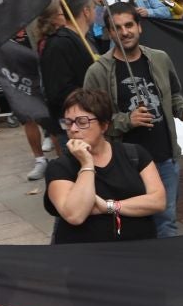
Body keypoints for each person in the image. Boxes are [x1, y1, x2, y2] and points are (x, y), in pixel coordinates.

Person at [81, 3, 183, 237]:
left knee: (166, 222)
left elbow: (174, 95)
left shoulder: (159, 58)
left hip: (164, 159)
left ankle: (165, 271)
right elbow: (89, 122)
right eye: (117, 28)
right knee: (131, 225)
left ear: (139, 27)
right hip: (124, 165)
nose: (124, 32)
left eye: (129, 25)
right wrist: (127, 120)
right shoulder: (98, 72)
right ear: (109, 32)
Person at [41, 88, 165, 244]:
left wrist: (108, 206)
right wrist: (86, 164)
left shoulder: (134, 154)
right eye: (68, 122)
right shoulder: (59, 167)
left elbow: (158, 202)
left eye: (82, 122)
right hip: (85, 257)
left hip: (138, 252)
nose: (73, 129)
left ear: (104, 125)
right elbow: (75, 215)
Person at [38, 0, 98, 179]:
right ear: (87, 11)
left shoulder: (82, 39)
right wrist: (94, 99)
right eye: (95, 8)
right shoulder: (59, 44)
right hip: (76, 129)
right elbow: (58, 91)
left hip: (91, 124)